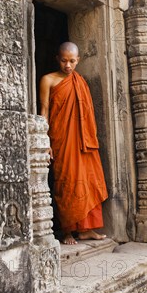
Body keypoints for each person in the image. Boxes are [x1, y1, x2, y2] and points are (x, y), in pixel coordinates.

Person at [39, 42, 108, 245]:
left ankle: (87, 230)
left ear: (78, 60)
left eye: (71, 61)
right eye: (63, 60)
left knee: (88, 180)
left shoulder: (81, 82)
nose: (67, 65)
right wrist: (44, 140)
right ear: (57, 58)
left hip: (83, 142)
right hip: (61, 140)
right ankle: (67, 231)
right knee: (66, 182)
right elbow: (44, 110)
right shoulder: (48, 80)